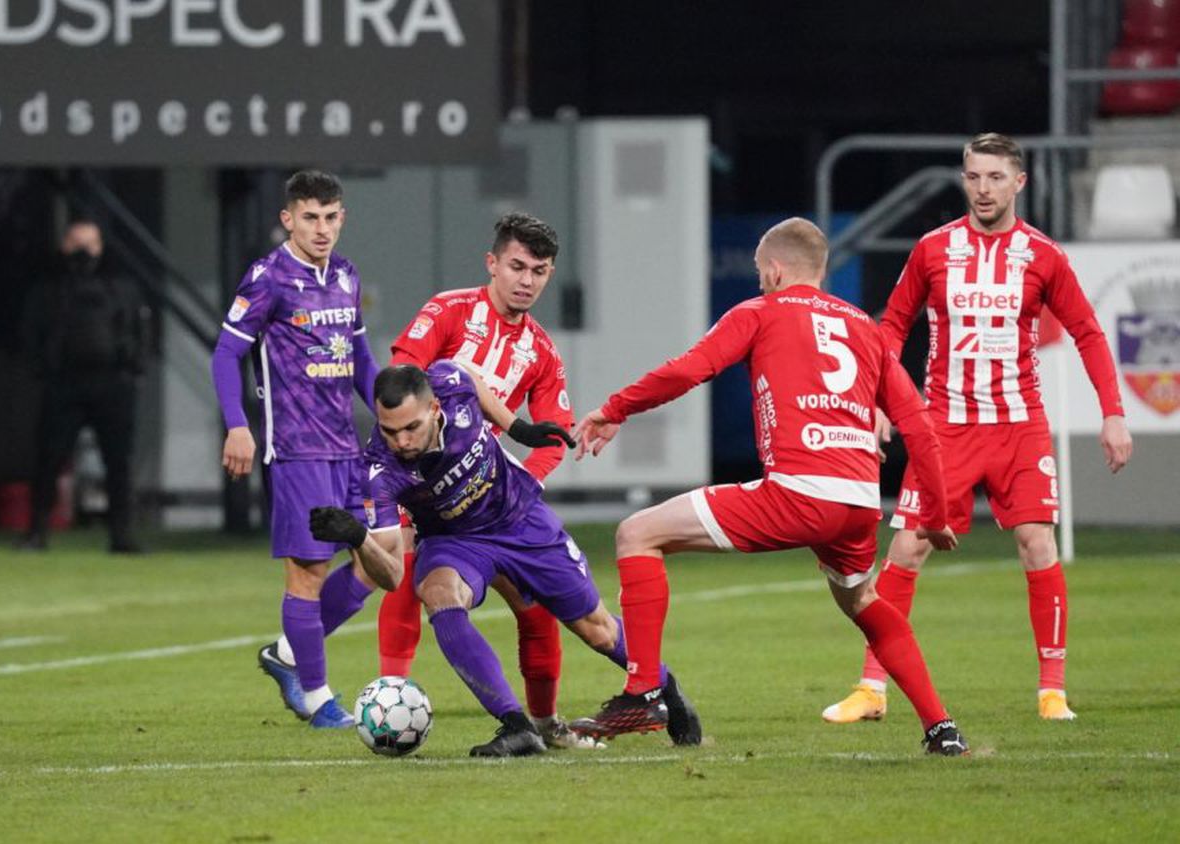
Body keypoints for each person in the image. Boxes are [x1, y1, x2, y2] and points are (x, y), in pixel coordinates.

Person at [567, 218, 969, 756]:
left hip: (798, 493)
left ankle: (643, 691)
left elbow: (690, 370)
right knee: (864, 601)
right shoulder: (867, 329)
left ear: (775, 270)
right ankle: (941, 729)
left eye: (761, 273)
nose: (760, 282)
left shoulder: (761, 311)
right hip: (856, 502)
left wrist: (615, 408)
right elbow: (919, 426)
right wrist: (936, 515)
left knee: (636, 534)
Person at [821, 133, 1133, 726]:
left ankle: (1051, 690)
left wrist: (1112, 411)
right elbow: (892, 328)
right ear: (963, 181)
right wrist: (880, 400)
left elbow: (1089, 333)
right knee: (907, 547)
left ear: (1019, 183)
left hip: (1019, 427)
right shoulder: (933, 250)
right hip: (945, 428)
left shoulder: (1042, 255)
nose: (983, 189)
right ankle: (871, 688)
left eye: (994, 177)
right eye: (973, 177)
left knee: (1036, 543)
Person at [309, 360, 702, 757]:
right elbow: (393, 577)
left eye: (411, 428)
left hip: (521, 520)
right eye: (390, 431)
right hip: (455, 541)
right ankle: (517, 727)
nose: (403, 442)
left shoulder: (450, 382)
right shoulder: (378, 471)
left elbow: (473, 381)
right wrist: (359, 538)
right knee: (438, 592)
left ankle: (666, 687)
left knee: (596, 629)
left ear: (434, 409)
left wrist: (518, 428)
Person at [378, 213, 583, 746]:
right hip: (421, 482)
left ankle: (543, 722)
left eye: (538, 271)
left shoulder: (540, 350)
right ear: (492, 263)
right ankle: (389, 694)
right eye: (516, 266)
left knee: (533, 603)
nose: (526, 280)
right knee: (408, 582)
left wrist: (528, 486)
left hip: (491, 498)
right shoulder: (448, 311)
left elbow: (556, 431)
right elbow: (403, 374)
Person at [210, 170, 382, 729]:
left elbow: (359, 359)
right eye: (310, 217)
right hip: (298, 450)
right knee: (308, 571)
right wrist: (238, 425)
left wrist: (391, 413)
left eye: (331, 217)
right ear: (289, 219)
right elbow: (223, 355)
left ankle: (288, 653)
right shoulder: (269, 277)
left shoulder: (347, 276)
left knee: (380, 560)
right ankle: (317, 696)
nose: (322, 228)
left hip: (347, 450)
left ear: (343, 218)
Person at [18, 219, 148, 553]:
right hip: (64, 385)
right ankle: (37, 533)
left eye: (90, 243)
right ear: (64, 246)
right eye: (77, 242)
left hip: (112, 384)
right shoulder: (48, 290)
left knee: (119, 463)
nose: (84, 251)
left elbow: (140, 330)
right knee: (48, 459)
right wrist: (43, 370)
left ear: (101, 247)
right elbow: (31, 333)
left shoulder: (122, 287)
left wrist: (132, 367)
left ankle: (122, 536)